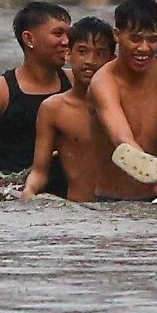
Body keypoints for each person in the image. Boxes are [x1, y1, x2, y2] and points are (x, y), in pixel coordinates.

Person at [90, 0, 157, 202]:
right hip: (114, 202)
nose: (144, 48)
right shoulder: (103, 83)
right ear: (118, 35)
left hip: (156, 198)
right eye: (135, 39)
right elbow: (123, 142)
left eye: (152, 39)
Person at [0, 2, 72, 183]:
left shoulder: (76, 83)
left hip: (70, 195)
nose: (66, 41)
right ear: (29, 39)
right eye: (57, 34)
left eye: (69, 34)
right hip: (18, 196)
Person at [20, 17, 116, 202]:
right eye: (82, 51)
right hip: (76, 210)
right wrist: (29, 190)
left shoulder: (123, 104)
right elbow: (40, 170)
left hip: (119, 208)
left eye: (100, 53)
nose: (90, 61)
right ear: (68, 54)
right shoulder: (53, 109)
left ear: (111, 60)